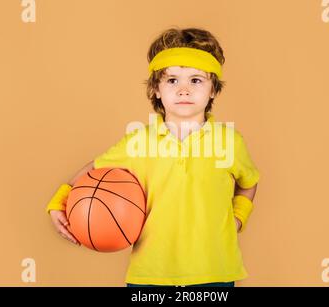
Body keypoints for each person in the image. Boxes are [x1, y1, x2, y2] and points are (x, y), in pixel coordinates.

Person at [46, 27, 260, 287]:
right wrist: (60, 201)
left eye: (196, 80)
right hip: (150, 274)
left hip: (215, 272)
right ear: (156, 89)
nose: (184, 90)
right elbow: (94, 168)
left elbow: (249, 182)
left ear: (213, 90)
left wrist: (238, 219)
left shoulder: (231, 142)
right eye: (172, 81)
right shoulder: (138, 141)